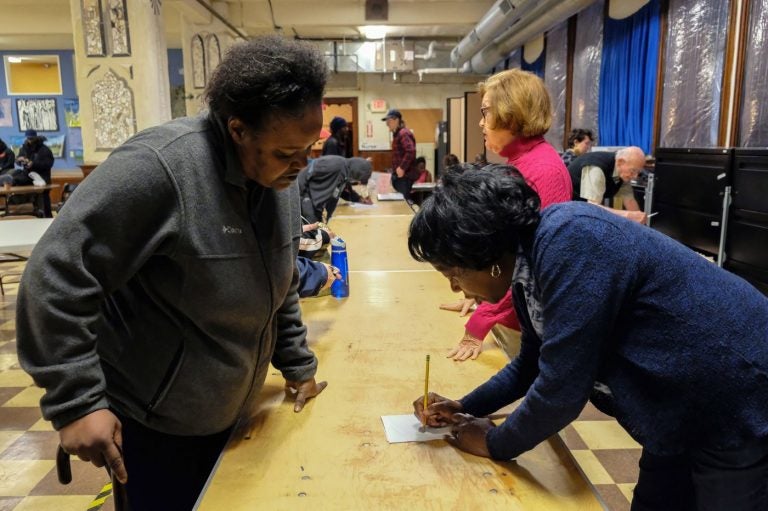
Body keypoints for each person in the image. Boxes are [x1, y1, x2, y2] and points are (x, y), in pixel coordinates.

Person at [15, 35, 328, 511]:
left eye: (311, 147)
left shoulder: (276, 175)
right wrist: (76, 401)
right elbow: (54, 274)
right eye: (288, 153)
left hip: (232, 415)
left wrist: (297, 364)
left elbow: (278, 281)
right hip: (156, 426)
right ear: (238, 130)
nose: (301, 165)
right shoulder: (159, 169)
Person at [410, 167, 768, 511]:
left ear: (485, 255)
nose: (455, 287)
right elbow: (533, 362)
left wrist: (493, 443)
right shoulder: (526, 266)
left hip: (736, 398)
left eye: (453, 273)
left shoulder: (571, 240)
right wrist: (465, 406)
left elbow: (562, 390)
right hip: (676, 407)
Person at [440, 68, 572, 361]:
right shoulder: (521, 164)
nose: (480, 122)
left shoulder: (539, 172)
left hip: (523, 326)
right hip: (509, 315)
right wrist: (479, 293)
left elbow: (529, 270)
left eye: (486, 112)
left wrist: (479, 322)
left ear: (511, 116)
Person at [568, 146, 647, 223]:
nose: (635, 176)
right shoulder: (597, 169)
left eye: (638, 172)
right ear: (620, 162)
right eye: (633, 171)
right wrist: (628, 215)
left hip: (582, 207)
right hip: (567, 205)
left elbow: (629, 201)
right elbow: (593, 207)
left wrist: (641, 223)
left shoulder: (622, 173)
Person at [298, 155, 373, 223]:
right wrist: (321, 220)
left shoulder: (345, 170)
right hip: (303, 191)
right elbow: (318, 197)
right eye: (358, 179)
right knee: (312, 224)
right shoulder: (336, 167)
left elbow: (341, 191)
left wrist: (359, 199)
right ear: (356, 173)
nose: (357, 182)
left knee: (318, 226)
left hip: (310, 194)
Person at [382, 108, 418, 207]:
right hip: (400, 177)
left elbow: (410, 151)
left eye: (389, 121)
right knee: (400, 204)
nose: (387, 124)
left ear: (396, 120)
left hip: (404, 178)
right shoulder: (397, 134)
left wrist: (402, 167)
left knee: (403, 205)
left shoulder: (403, 133)